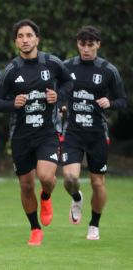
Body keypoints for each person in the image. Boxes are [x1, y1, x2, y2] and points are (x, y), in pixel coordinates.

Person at [0, 19, 73, 245]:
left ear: (37, 39)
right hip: (21, 136)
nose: (25, 40)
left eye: (29, 35)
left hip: (47, 132)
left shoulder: (52, 63)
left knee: (46, 177)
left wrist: (59, 97)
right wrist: (12, 103)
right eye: (20, 36)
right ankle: (35, 228)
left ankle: (46, 197)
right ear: (16, 41)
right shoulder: (11, 70)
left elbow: (68, 83)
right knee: (26, 185)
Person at [61, 26, 127, 240]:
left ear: (98, 44)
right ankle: (77, 197)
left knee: (98, 183)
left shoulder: (108, 70)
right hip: (72, 132)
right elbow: (57, 91)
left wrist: (110, 102)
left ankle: (94, 225)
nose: (86, 49)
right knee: (70, 178)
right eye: (82, 44)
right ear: (77, 44)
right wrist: (61, 104)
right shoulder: (66, 67)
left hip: (97, 133)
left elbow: (122, 100)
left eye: (91, 45)